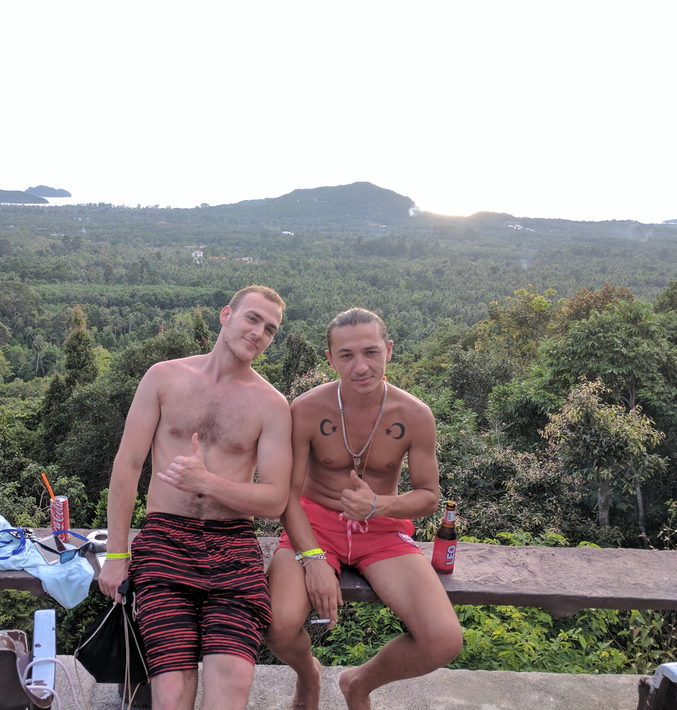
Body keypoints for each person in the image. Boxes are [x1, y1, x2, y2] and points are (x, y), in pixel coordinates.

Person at [97, 285, 293, 710]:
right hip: (164, 540)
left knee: (231, 688)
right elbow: (127, 466)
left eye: (271, 329)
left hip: (234, 546)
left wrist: (209, 483)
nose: (259, 332)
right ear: (226, 315)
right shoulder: (164, 377)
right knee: (170, 694)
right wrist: (116, 554)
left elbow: (275, 500)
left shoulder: (272, 405)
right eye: (252, 318)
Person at [265, 307, 463, 710]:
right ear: (330, 358)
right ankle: (309, 675)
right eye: (347, 355)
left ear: (389, 351)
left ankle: (358, 682)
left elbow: (428, 497)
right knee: (279, 627)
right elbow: (284, 494)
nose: (361, 366)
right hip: (314, 524)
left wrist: (378, 504)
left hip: (383, 530)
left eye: (371, 352)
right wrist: (313, 557)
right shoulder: (306, 409)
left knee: (443, 639)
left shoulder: (414, 415)